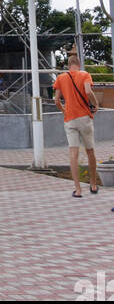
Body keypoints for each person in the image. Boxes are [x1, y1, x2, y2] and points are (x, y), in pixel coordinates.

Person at [52, 50, 99, 196]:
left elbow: (56, 100)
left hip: (70, 119)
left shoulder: (61, 78)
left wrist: (64, 111)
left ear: (68, 65)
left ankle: (78, 189)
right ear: (78, 65)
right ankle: (93, 184)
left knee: (73, 153)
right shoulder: (85, 75)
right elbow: (88, 91)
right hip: (84, 117)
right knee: (90, 151)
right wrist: (95, 104)